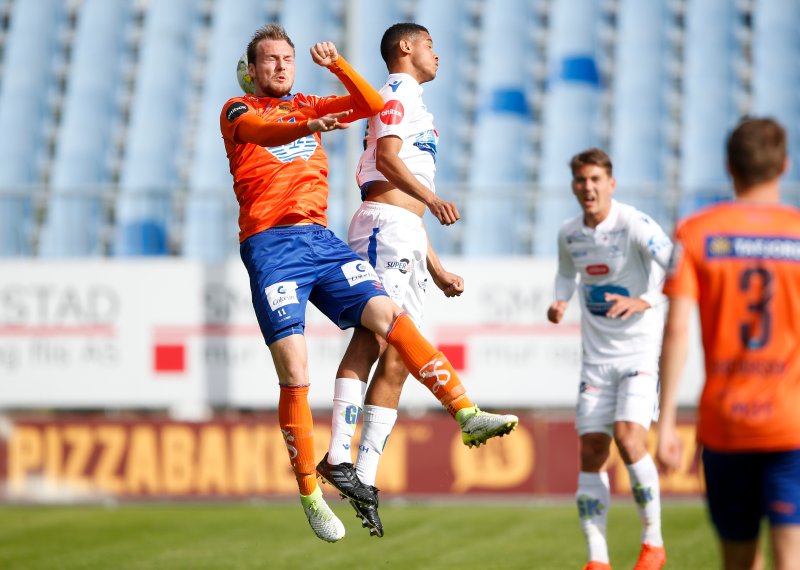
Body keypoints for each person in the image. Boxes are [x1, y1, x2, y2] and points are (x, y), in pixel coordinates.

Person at [221, 23, 515, 543]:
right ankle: (310, 492)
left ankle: (465, 411)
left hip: (319, 238)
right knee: (294, 368)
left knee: (387, 319)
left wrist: (337, 65)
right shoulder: (238, 110)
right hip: (270, 245)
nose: (282, 67)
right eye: (270, 60)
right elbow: (263, 135)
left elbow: (371, 100)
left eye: (287, 58)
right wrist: (305, 124)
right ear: (253, 69)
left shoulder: (310, 101)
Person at [315, 22, 519, 538]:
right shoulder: (399, 91)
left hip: (403, 231)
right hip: (385, 227)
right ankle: (340, 455)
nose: (437, 53)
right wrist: (431, 199)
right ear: (406, 48)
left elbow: (401, 191)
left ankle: (362, 475)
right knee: (376, 332)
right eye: (431, 43)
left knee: (400, 357)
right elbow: (385, 162)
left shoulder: (415, 102)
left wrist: (436, 266)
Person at [657, 117, 800, 570]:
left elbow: (677, 330)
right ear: (784, 166)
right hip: (791, 423)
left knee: (737, 562)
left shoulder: (697, 232)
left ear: (729, 167)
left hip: (725, 423)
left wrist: (664, 426)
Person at [546, 148, 672, 570]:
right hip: (596, 362)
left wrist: (646, 300)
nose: (589, 187)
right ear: (573, 186)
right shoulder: (569, 233)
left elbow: (677, 262)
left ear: (611, 184)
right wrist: (560, 300)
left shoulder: (633, 223)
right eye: (582, 180)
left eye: (596, 179)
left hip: (638, 353)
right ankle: (598, 560)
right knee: (592, 450)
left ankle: (652, 544)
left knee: (628, 435)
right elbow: (567, 270)